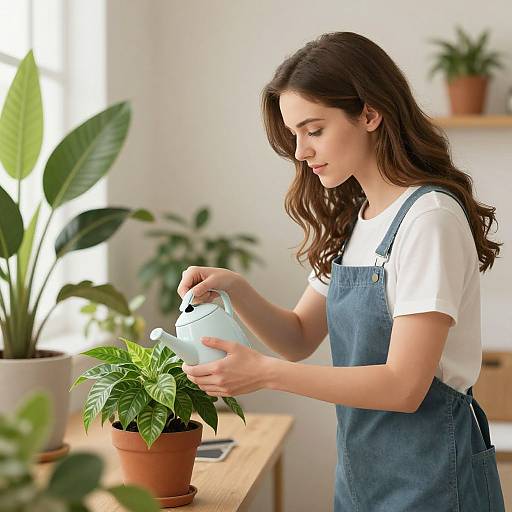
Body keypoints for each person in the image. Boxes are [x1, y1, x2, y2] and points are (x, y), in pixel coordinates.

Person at [178, 32, 505, 511]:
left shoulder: (428, 218)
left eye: (313, 130)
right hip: (361, 476)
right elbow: (298, 336)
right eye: (294, 135)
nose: (300, 152)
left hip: (434, 479)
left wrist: (265, 376)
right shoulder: (360, 220)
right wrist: (236, 288)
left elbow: (403, 385)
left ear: (370, 114)